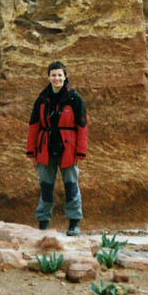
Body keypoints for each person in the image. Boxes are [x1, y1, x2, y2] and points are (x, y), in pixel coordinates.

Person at [26, 61, 88, 236]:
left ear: (65, 77)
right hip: (45, 149)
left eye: (60, 75)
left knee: (71, 186)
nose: (57, 78)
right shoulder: (41, 99)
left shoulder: (74, 99)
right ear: (48, 77)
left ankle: (74, 223)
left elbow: (82, 127)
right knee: (46, 186)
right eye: (53, 75)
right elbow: (33, 127)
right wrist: (31, 154)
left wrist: (80, 152)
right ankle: (43, 222)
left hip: (68, 150)